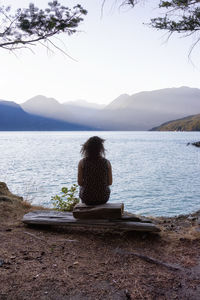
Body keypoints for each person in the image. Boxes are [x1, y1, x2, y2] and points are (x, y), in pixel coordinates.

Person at [77, 136, 112, 205]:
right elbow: (110, 183)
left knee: (82, 189)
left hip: (87, 199)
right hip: (103, 198)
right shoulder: (107, 162)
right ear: (100, 148)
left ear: (86, 148)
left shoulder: (82, 162)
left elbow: (80, 183)